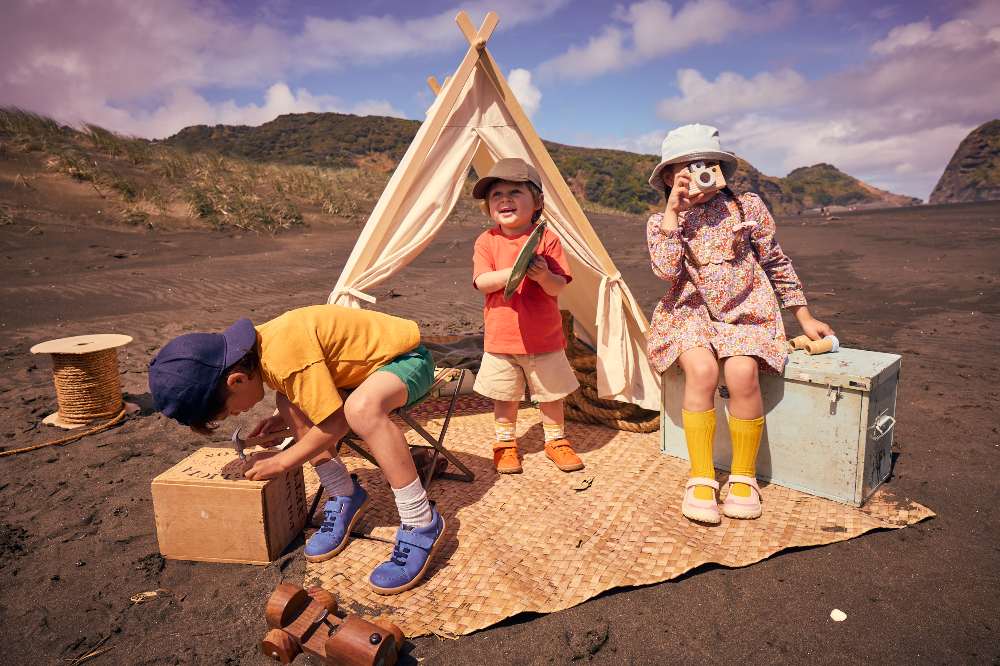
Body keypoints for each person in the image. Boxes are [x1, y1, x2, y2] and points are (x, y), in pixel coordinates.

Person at [147, 304, 445, 594]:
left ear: (236, 380)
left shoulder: (285, 358)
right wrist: (284, 422)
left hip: (407, 361)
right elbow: (311, 387)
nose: (237, 414)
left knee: (361, 409)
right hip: (362, 375)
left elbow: (335, 424)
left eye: (230, 412)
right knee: (287, 402)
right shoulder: (265, 349)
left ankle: (421, 521)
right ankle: (345, 493)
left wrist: (283, 461)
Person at [645, 124, 834, 523]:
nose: (702, 174)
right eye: (688, 167)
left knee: (743, 372)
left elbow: (775, 260)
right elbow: (665, 272)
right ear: (668, 177)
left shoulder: (748, 207)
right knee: (701, 369)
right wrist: (673, 213)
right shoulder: (662, 222)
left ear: (722, 169)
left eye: (708, 164)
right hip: (689, 312)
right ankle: (701, 476)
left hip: (746, 311)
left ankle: (744, 475)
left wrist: (803, 314)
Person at [470, 157, 584, 475]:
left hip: (544, 337)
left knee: (551, 394)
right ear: (488, 207)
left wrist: (542, 275)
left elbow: (557, 287)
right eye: (496, 195)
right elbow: (482, 282)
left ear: (536, 202)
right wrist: (514, 271)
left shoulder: (547, 239)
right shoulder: (486, 241)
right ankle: (505, 444)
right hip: (501, 339)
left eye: (514, 192)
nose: (504, 199)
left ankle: (556, 440)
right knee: (504, 396)